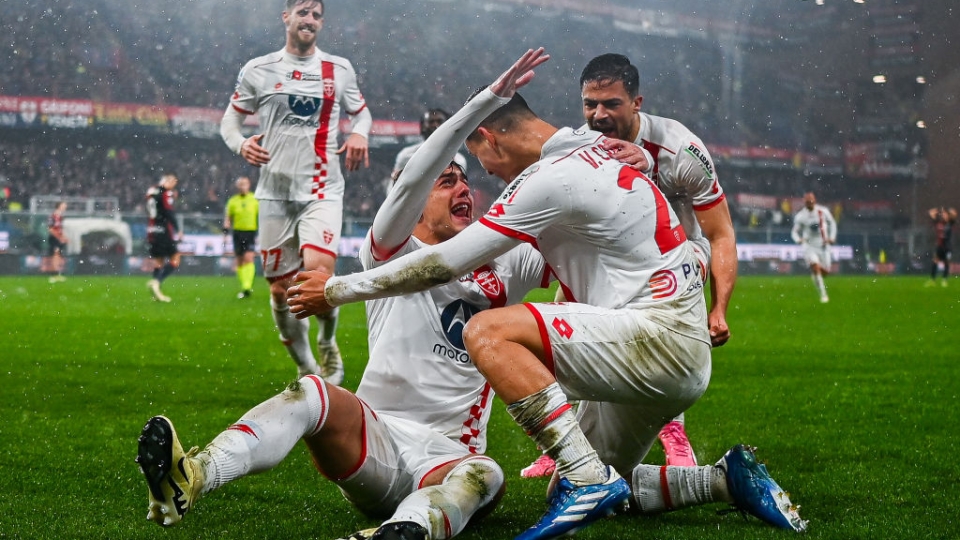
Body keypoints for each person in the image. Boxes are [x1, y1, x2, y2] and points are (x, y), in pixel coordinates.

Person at [287, 48, 806, 539]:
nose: (486, 174)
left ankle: (586, 479)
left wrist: (335, 290)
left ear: (490, 139)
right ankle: (723, 480)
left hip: (655, 337)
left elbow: (446, 261)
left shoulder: (547, 179)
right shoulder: (589, 149)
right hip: (671, 348)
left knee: (487, 332)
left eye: (481, 160)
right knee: (571, 477)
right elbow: (675, 236)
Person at [137, 52, 550, 540]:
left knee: (485, 474)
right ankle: (194, 475)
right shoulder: (391, 249)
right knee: (309, 392)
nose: (463, 188)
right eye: (446, 182)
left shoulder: (509, 261)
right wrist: (480, 109)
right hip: (372, 436)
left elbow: (561, 202)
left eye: (465, 181)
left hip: (447, 453)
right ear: (416, 204)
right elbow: (414, 176)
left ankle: (401, 531)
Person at [519, 53, 740, 477]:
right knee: (575, 322)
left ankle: (672, 431)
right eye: (589, 104)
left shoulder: (681, 150)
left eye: (611, 104)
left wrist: (719, 308)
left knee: (650, 304)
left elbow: (720, 234)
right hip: (611, 255)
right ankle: (570, 437)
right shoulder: (581, 146)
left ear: (637, 102)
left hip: (681, 255)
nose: (598, 115)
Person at [219, 0, 372, 385]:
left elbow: (363, 113)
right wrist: (240, 145)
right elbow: (230, 121)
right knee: (280, 289)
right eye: (303, 12)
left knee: (318, 276)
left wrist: (359, 132)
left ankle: (327, 341)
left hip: (322, 190)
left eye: (317, 15)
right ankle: (306, 370)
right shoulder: (259, 69)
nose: (310, 20)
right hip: (273, 194)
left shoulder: (338, 69)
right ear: (286, 17)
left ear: (322, 23)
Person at [791, 191, 837, 303]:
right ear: (804, 202)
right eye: (807, 201)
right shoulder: (800, 216)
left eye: (811, 200)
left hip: (823, 245)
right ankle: (823, 295)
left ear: (815, 200)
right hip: (809, 246)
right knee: (816, 267)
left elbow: (833, 224)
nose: (810, 203)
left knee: (825, 272)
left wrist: (832, 237)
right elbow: (794, 232)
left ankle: (816, 274)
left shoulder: (823, 211)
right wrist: (798, 239)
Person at [145, 174, 182, 303]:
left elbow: (154, 204)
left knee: (159, 262)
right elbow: (168, 212)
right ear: (166, 181)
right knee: (176, 258)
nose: (173, 184)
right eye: (172, 181)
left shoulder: (151, 191)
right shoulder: (166, 193)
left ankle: (156, 294)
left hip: (151, 230)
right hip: (163, 230)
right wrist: (178, 229)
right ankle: (157, 282)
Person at [223, 176, 259, 299]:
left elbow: (261, 216)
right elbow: (228, 218)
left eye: (245, 183)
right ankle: (244, 286)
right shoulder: (233, 201)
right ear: (237, 186)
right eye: (240, 184)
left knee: (249, 258)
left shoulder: (255, 199)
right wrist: (225, 232)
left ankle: (247, 287)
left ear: (249, 185)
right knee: (239, 260)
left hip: (250, 232)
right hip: (237, 233)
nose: (243, 186)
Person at [926, 206, 956, 287]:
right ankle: (932, 280)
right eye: (943, 214)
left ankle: (944, 280)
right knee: (935, 261)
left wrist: (951, 212)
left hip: (947, 247)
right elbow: (931, 213)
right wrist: (934, 211)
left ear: (948, 215)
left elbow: (954, 214)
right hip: (939, 246)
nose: (943, 215)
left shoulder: (950, 223)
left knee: (946, 263)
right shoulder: (938, 222)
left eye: (945, 214)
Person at [46, 201, 68, 283]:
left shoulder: (61, 217)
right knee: (55, 255)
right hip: (54, 238)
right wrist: (60, 237)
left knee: (58, 256)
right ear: (59, 206)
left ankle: (57, 274)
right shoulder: (52, 216)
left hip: (58, 238)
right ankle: (54, 275)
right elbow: (51, 229)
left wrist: (64, 237)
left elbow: (59, 229)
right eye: (64, 205)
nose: (65, 207)